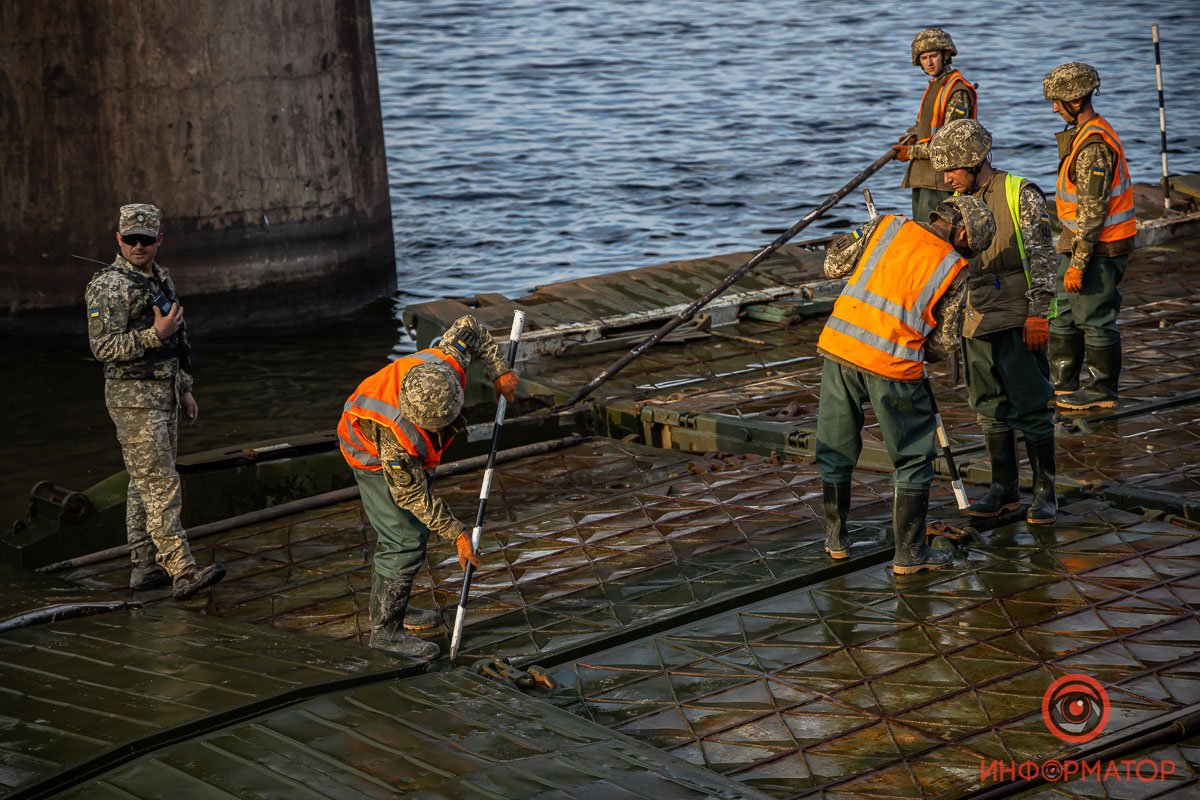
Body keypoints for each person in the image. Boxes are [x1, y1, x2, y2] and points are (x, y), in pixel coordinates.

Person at [816, 195, 995, 575]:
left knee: (835, 444)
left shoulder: (885, 225)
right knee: (913, 456)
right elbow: (943, 344)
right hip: (892, 363)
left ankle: (836, 540)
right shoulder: (955, 270)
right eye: (971, 245)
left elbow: (833, 264)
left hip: (839, 345)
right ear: (962, 232)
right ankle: (909, 555)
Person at [338, 315, 519, 660]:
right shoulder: (395, 440)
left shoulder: (448, 361)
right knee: (404, 539)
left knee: (408, 533)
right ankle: (385, 633)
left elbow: (471, 325)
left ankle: (397, 608)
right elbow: (410, 494)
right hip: (367, 453)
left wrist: (500, 370)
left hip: (402, 454)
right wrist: (457, 533)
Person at [85, 204, 226, 600]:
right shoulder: (107, 286)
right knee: (162, 485)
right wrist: (154, 335)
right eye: (130, 238)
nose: (138, 245)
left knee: (141, 485)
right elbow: (102, 347)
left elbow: (179, 337)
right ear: (118, 239)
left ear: (159, 240)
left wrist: (184, 386)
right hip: (133, 399)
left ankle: (145, 567)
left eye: (146, 239)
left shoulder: (160, 277)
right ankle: (182, 571)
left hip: (163, 394)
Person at [928, 119, 1059, 525]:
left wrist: (1040, 313)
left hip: (1018, 315)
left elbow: (1043, 258)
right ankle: (1004, 489)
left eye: (951, 168)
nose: (947, 178)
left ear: (974, 159)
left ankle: (1044, 492)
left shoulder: (1020, 193)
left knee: (1032, 406)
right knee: (988, 406)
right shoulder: (954, 201)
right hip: (975, 317)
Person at [1043, 62, 1136, 410]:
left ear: (1076, 99)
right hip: (1075, 241)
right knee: (1064, 312)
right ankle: (1062, 384)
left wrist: (1078, 264)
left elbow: (1093, 212)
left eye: (1057, 101)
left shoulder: (1094, 145)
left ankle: (1101, 391)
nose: (1053, 108)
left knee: (1095, 316)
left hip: (1100, 247)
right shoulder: (1083, 135)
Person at [893, 28, 978, 225]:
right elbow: (926, 124)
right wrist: (911, 136)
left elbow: (950, 144)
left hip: (942, 181)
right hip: (924, 178)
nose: (929, 63)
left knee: (937, 234)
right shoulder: (935, 85)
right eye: (924, 58)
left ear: (946, 55)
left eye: (933, 56)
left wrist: (911, 152)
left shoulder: (957, 90)